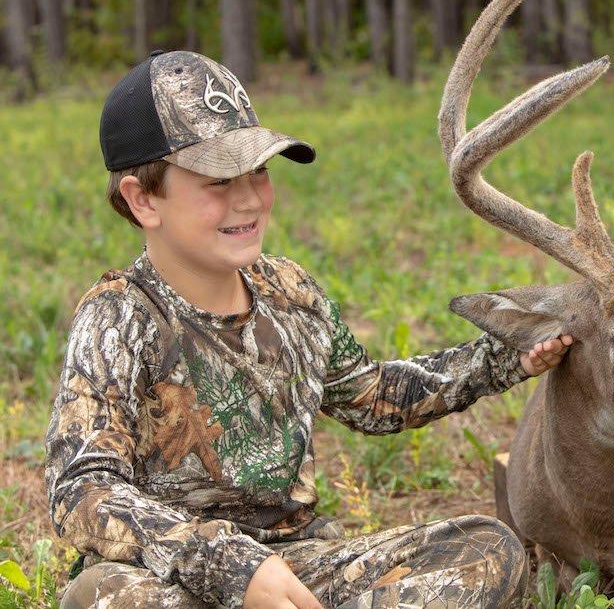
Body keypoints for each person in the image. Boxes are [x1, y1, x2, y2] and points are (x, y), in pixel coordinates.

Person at [44, 50, 573, 609]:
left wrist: (504, 356)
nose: (249, 198)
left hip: (296, 567)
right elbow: (80, 489)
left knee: (487, 549)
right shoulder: (118, 316)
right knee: (103, 595)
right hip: (172, 578)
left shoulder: (289, 292)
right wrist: (226, 563)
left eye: (259, 172)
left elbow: (375, 396)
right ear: (142, 199)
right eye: (219, 180)